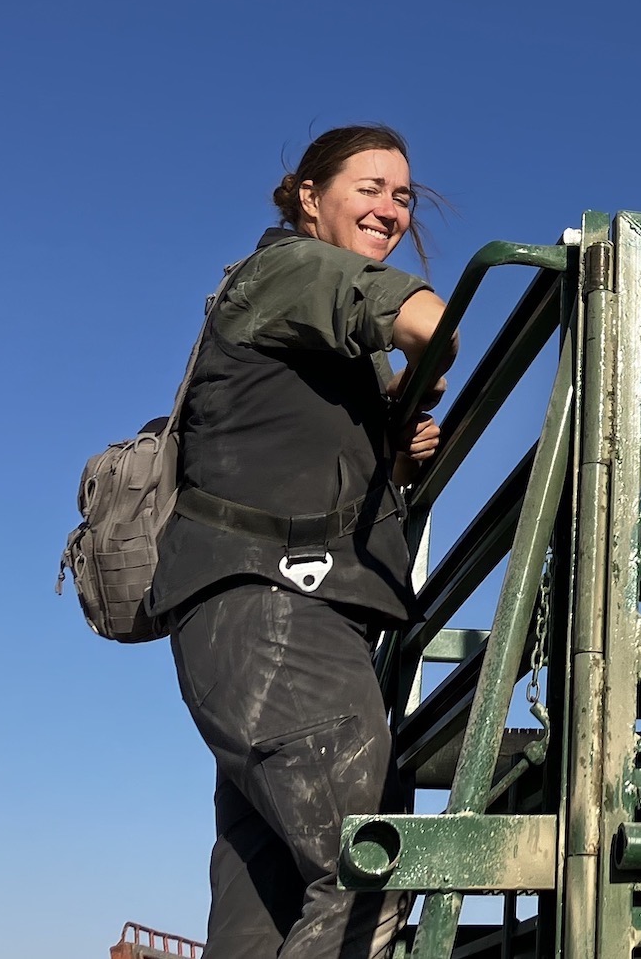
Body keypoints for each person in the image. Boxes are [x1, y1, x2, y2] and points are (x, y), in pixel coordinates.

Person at [147, 125, 455, 959]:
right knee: (375, 864)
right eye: (370, 188)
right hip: (281, 610)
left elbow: (283, 448)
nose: (390, 208)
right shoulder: (296, 266)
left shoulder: (302, 320)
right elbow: (433, 326)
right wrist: (421, 336)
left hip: (256, 623)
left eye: (402, 196)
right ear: (309, 195)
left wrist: (389, 445)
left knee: (266, 910)